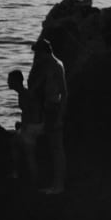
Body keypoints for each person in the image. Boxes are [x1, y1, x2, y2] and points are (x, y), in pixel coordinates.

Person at [28, 38, 67, 194]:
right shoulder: (47, 66)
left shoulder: (56, 66)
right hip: (48, 108)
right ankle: (54, 183)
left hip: (54, 108)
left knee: (57, 148)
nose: (36, 56)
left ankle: (59, 186)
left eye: (37, 53)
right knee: (52, 147)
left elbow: (64, 93)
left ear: (44, 52)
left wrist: (60, 116)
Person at [7, 69, 44, 185]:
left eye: (10, 80)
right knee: (14, 142)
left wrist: (24, 127)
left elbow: (33, 113)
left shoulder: (25, 94)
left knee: (29, 154)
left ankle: (34, 181)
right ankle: (17, 172)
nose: (8, 82)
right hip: (32, 125)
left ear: (16, 81)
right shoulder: (23, 93)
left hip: (33, 127)